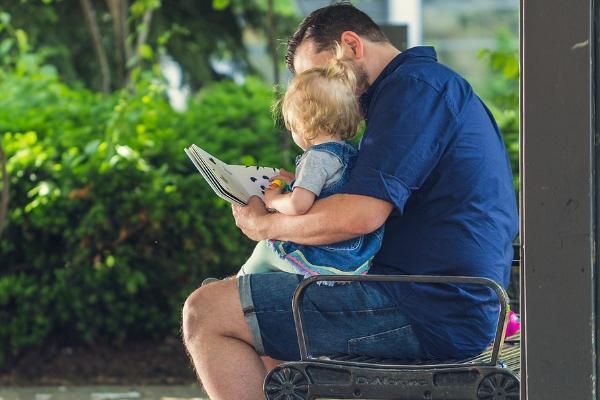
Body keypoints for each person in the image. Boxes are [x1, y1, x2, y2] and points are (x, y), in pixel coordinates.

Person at [182, 3, 518, 400]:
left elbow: (360, 215)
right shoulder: (419, 89)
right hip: (435, 298)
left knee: (206, 311)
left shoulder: (414, 89)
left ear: (352, 45)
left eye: (320, 77)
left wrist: (264, 225)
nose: (317, 95)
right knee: (258, 324)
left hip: (427, 307)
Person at [238, 47, 383, 279]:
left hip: (328, 257)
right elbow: (325, 190)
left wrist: (274, 199)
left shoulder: (315, 158)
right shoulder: (348, 153)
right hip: (355, 256)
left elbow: (298, 206)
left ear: (302, 124)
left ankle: (237, 283)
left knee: (266, 248)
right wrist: (296, 181)